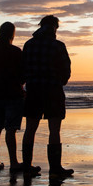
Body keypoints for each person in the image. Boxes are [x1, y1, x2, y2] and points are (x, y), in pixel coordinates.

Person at [21, 15, 73, 177]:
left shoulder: (29, 45)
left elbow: (22, 69)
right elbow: (66, 70)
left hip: (34, 90)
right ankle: (55, 168)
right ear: (55, 28)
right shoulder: (57, 46)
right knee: (54, 129)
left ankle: (27, 166)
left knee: (30, 128)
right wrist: (60, 81)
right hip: (53, 91)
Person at [0, 21, 25, 173]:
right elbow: (22, 75)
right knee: (11, 129)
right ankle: (13, 162)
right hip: (13, 94)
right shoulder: (15, 51)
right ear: (12, 34)